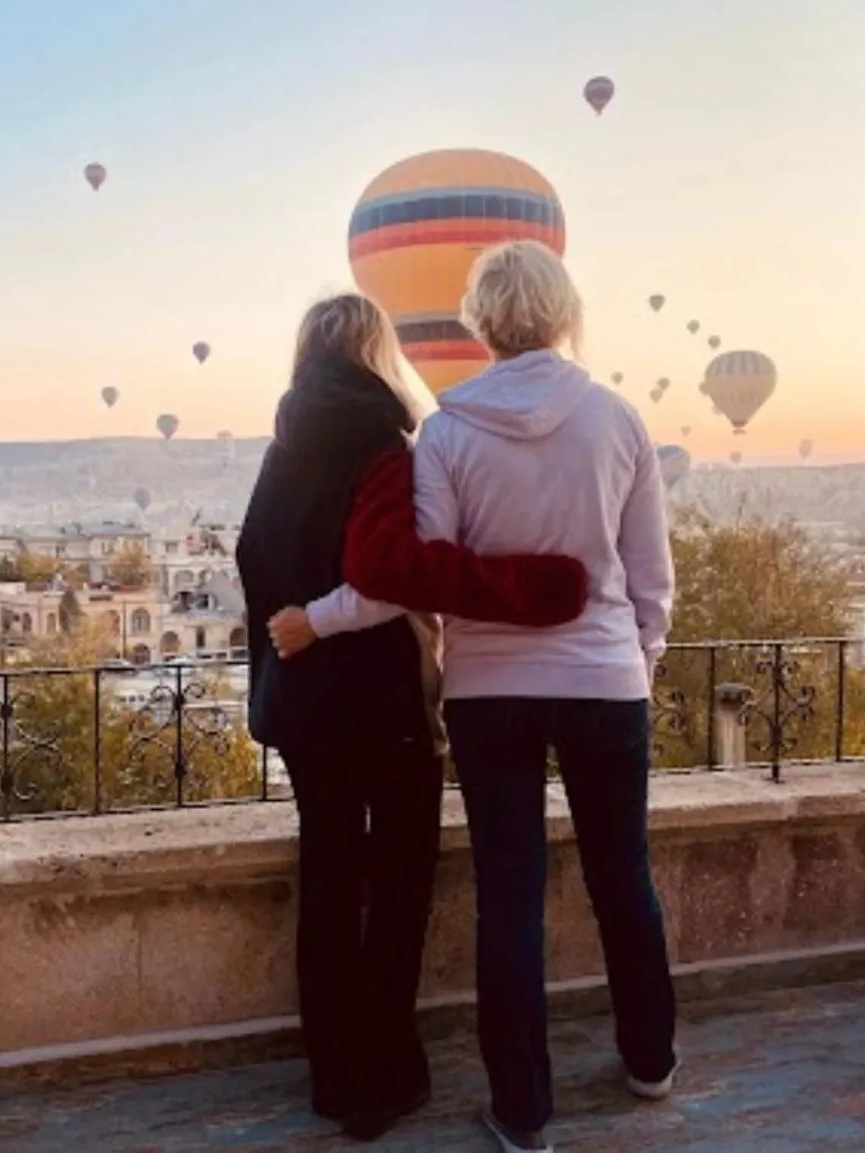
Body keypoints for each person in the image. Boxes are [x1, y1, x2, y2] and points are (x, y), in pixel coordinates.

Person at [275, 243, 677, 1153]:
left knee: (509, 896)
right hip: (604, 682)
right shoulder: (617, 419)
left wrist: (317, 619)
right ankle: (650, 1060)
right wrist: (635, 657)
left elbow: (413, 579)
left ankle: (523, 1111)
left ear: (479, 322)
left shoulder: (446, 435)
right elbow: (651, 576)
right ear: (565, 310)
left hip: (490, 691)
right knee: (624, 878)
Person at [236, 292, 589, 1143]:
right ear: (375, 349)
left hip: (303, 703)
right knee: (397, 886)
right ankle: (383, 1076)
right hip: (384, 702)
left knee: (326, 881)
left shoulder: (281, 449)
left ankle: (332, 1075)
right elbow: (396, 570)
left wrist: (292, 633)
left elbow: (252, 553)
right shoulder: (385, 445)